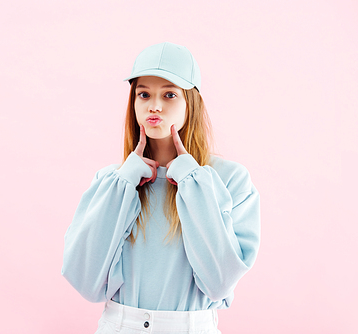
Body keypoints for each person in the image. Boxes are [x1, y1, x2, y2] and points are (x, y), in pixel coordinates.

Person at [61, 42, 261, 334]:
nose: (154, 105)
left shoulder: (229, 179)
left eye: (169, 94)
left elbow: (219, 283)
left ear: (191, 102)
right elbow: (85, 281)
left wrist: (192, 183)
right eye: (144, 94)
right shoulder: (112, 181)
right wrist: (123, 183)